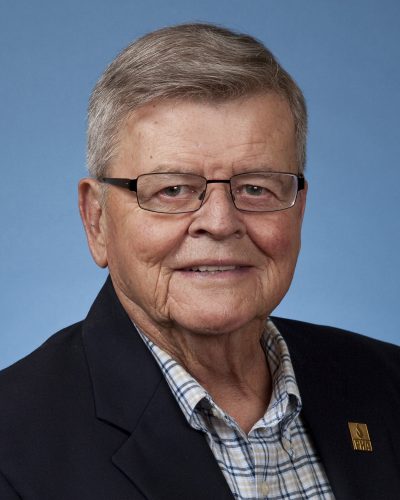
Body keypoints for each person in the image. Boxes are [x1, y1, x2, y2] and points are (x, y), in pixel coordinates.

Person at [0, 23, 399, 500]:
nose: (220, 222)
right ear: (97, 220)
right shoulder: (13, 444)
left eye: (256, 187)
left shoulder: (387, 383)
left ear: (298, 209)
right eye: (172, 189)